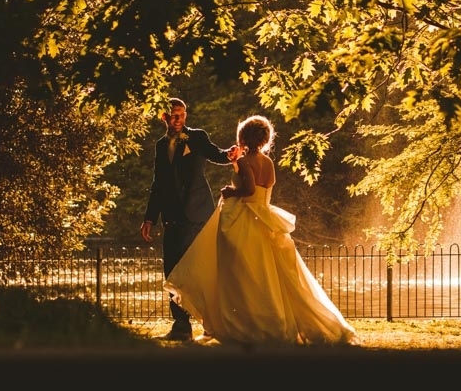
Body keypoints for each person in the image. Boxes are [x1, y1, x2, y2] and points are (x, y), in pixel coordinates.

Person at [163, 114, 359, 346]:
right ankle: (275, 319)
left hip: (245, 219)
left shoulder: (247, 161)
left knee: (240, 275)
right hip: (265, 216)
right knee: (271, 274)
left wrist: (230, 191)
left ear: (244, 137)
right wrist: (239, 168)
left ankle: (245, 324)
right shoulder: (268, 162)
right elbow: (260, 187)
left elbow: (247, 189)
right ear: (265, 139)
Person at [141, 97, 236, 340]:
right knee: (173, 273)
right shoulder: (161, 146)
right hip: (172, 217)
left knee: (201, 271)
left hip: (198, 214)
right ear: (164, 117)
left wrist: (230, 154)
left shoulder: (197, 137)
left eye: (181, 115)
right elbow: (158, 183)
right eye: (173, 115)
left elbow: (215, 153)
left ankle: (211, 323)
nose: (178, 119)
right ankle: (181, 327)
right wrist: (150, 218)